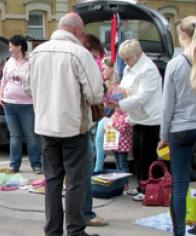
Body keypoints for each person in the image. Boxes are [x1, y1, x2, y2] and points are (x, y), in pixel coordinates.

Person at [27, 12, 103, 236]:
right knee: (75, 182)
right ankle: (75, 231)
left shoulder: (36, 53)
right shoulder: (79, 53)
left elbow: (26, 88)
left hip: (45, 126)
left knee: (52, 181)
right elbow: (95, 93)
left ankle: (52, 230)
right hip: (72, 126)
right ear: (77, 31)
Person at [107, 39, 162, 201]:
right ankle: (141, 185)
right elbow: (127, 88)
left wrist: (120, 103)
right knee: (137, 154)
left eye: (127, 59)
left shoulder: (148, 69)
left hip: (150, 118)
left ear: (137, 55)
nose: (125, 63)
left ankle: (148, 189)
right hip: (137, 117)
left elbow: (143, 96)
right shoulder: (131, 67)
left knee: (147, 156)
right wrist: (118, 95)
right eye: (123, 59)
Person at [158, 16, 196, 236]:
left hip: (180, 129)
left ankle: (179, 231)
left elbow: (167, 106)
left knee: (180, 183)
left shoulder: (175, 64)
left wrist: (163, 136)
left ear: (182, 35)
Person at [0, 35, 42, 174]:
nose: (9, 48)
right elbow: (3, 80)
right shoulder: (9, 62)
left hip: (27, 104)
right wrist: (0, 95)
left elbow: (37, 81)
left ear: (19, 47)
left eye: (11, 46)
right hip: (9, 103)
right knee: (14, 135)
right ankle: (14, 164)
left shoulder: (31, 62)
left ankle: (36, 164)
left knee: (31, 135)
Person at [81, 34, 109, 227]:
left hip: (52, 125)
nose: (96, 61)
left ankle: (64, 218)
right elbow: (94, 94)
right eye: (94, 56)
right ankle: (85, 214)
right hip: (81, 124)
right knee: (84, 171)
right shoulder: (82, 62)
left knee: (60, 175)